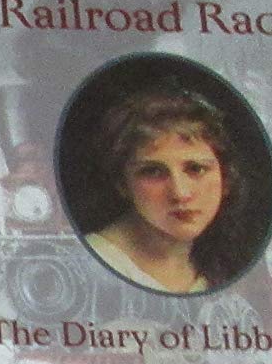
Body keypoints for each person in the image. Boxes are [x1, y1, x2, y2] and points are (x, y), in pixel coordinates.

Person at [78, 85, 241, 295]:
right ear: (123, 184)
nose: (180, 193)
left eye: (196, 169)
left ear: (225, 178)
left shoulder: (216, 269)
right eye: (153, 172)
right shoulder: (91, 265)